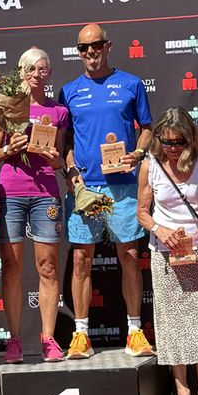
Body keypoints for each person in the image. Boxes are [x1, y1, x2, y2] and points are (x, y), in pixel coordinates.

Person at [60, 22, 154, 359]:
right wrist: (72, 173)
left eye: (96, 45)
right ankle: (81, 334)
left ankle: (135, 332)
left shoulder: (131, 84)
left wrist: (138, 153)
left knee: (129, 256)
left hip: (123, 186)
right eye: (83, 48)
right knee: (81, 259)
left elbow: (147, 129)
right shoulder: (69, 91)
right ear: (78, 52)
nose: (90, 52)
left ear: (108, 46)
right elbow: (65, 141)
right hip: (86, 187)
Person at [137, 109, 198, 395]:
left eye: (179, 142)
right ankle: (182, 392)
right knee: (172, 323)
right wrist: (158, 229)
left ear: (190, 139)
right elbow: (142, 212)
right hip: (166, 253)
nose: (172, 147)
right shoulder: (149, 165)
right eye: (167, 141)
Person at [0, 46, 69, 362]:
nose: (37, 74)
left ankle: (48, 338)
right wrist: (10, 150)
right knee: (11, 268)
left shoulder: (59, 112)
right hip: (11, 192)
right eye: (31, 69)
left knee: (48, 267)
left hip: (45, 193)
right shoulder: (6, 106)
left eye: (42, 69)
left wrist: (54, 157)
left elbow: (60, 161)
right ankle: (15, 340)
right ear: (20, 72)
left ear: (49, 73)